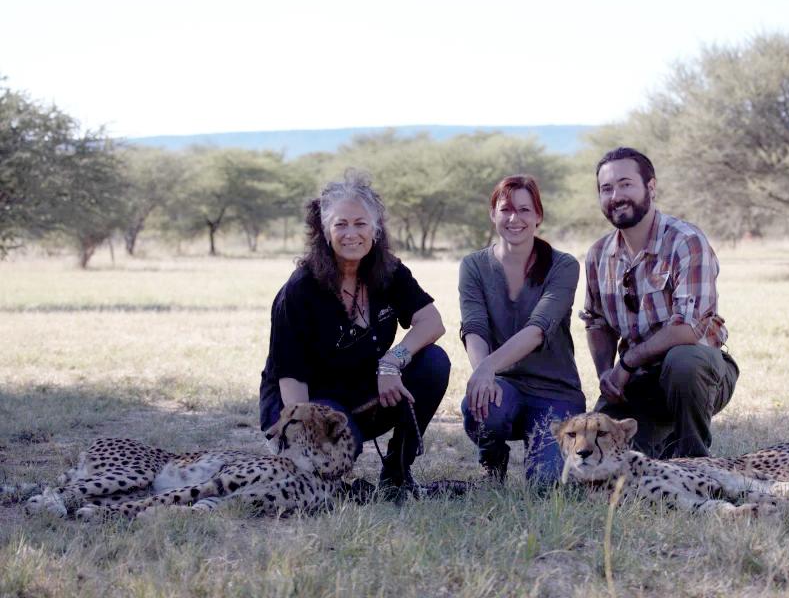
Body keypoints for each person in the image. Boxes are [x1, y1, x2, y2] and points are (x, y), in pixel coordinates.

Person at [259, 171, 450, 493]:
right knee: (339, 452)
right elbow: (291, 377)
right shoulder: (300, 290)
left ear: (375, 229)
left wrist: (392, 362)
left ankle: (397, 475)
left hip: (365, 392)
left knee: (433, 361)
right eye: (340, 224)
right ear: (324, 230)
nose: (351, 234)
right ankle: (316, 471)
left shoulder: (390, 272)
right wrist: (305, 438)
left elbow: (433, 322)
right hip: (308, 403)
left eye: (360, 223)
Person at [579, 147, 738, 459]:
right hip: (636, 380)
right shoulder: (598, 254)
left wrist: (625, 364)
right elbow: (596, 322)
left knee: (683, 362)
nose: (616, 196)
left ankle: (695, 459)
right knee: (604, 454)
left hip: (697, 373)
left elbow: (688, 330)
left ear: (650, 187)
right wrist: (605, 375)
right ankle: (663, 444)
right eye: (606, 188)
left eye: (626, 184)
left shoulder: (685, 241)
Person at [459, 175, 584, 483]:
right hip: (504, 387)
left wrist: (487, 367)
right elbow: (474, 326)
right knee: (484, 408)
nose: (515, 218)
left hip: (555, 391)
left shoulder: (563, 265)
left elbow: (539, 328)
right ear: (493, 215)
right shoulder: (474, 266)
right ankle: (493, 458)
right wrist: (483, 374)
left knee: (547, 484)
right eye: (506, 209)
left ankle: (541, 455)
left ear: (538, 216)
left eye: (525, 210)